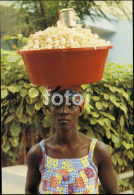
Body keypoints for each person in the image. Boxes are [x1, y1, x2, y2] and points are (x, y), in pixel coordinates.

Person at [25, 89, 119, 194]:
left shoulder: (97, 151)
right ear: (50, 109)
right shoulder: (38, 153)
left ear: (80, 109)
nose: (64, 111)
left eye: (72, 105)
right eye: (57, 104)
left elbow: (113, 191)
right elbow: (30, 190)